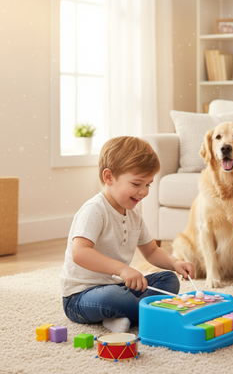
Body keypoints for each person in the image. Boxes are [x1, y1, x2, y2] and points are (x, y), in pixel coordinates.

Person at [60, 136, 194, 333]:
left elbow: (151, 251)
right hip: (80, 297)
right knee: (114, 298)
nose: (143, 192)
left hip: (118, 286)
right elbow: (79, 253)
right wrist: (122, 269)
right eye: (136, 183)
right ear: (109, 177)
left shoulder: (133, 213)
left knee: (168, 280)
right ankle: (144, 311)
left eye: (148, 184)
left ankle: (123, 315)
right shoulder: (94, 210)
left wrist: (175, 263)